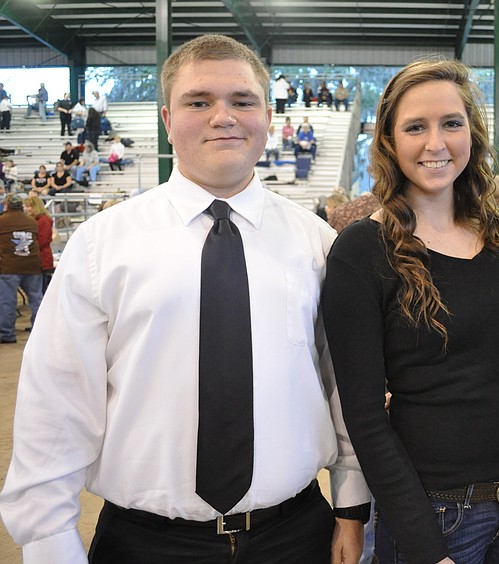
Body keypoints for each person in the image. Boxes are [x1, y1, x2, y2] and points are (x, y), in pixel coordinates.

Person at [0, 34, 370, 563]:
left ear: (267, 115)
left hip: (294, 536)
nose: (224, 116)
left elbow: (344, 388)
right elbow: (55, 402)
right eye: (199, 101)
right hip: (146, 543)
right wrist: (49, 541)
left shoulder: (318, 245)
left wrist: (351, 507)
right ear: (168, 120)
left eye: (242, 101)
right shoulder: (103, 246)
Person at [321, 58, 499, 564]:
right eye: (415, 127)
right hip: (437, 515)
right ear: (388, 141)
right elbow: (364, 417)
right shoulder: (362, 252)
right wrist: (423, 545)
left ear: (473, 130)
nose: (435, 143)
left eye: (451, 123)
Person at [0, 193, 43, 343]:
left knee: (7, 301)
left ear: (7, 205)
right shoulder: (31, 222)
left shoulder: (2, 221)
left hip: (9, 266)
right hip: (32, 265)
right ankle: (40, 331)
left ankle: (7, 334)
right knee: (37, 299)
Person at [23, 195, 54, 292]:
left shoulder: (43, 221)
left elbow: (42, 241)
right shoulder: (35, 220)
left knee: (41, 290)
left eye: (29, 206)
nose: (26, 209)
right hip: (37, 258)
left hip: (42, 259)